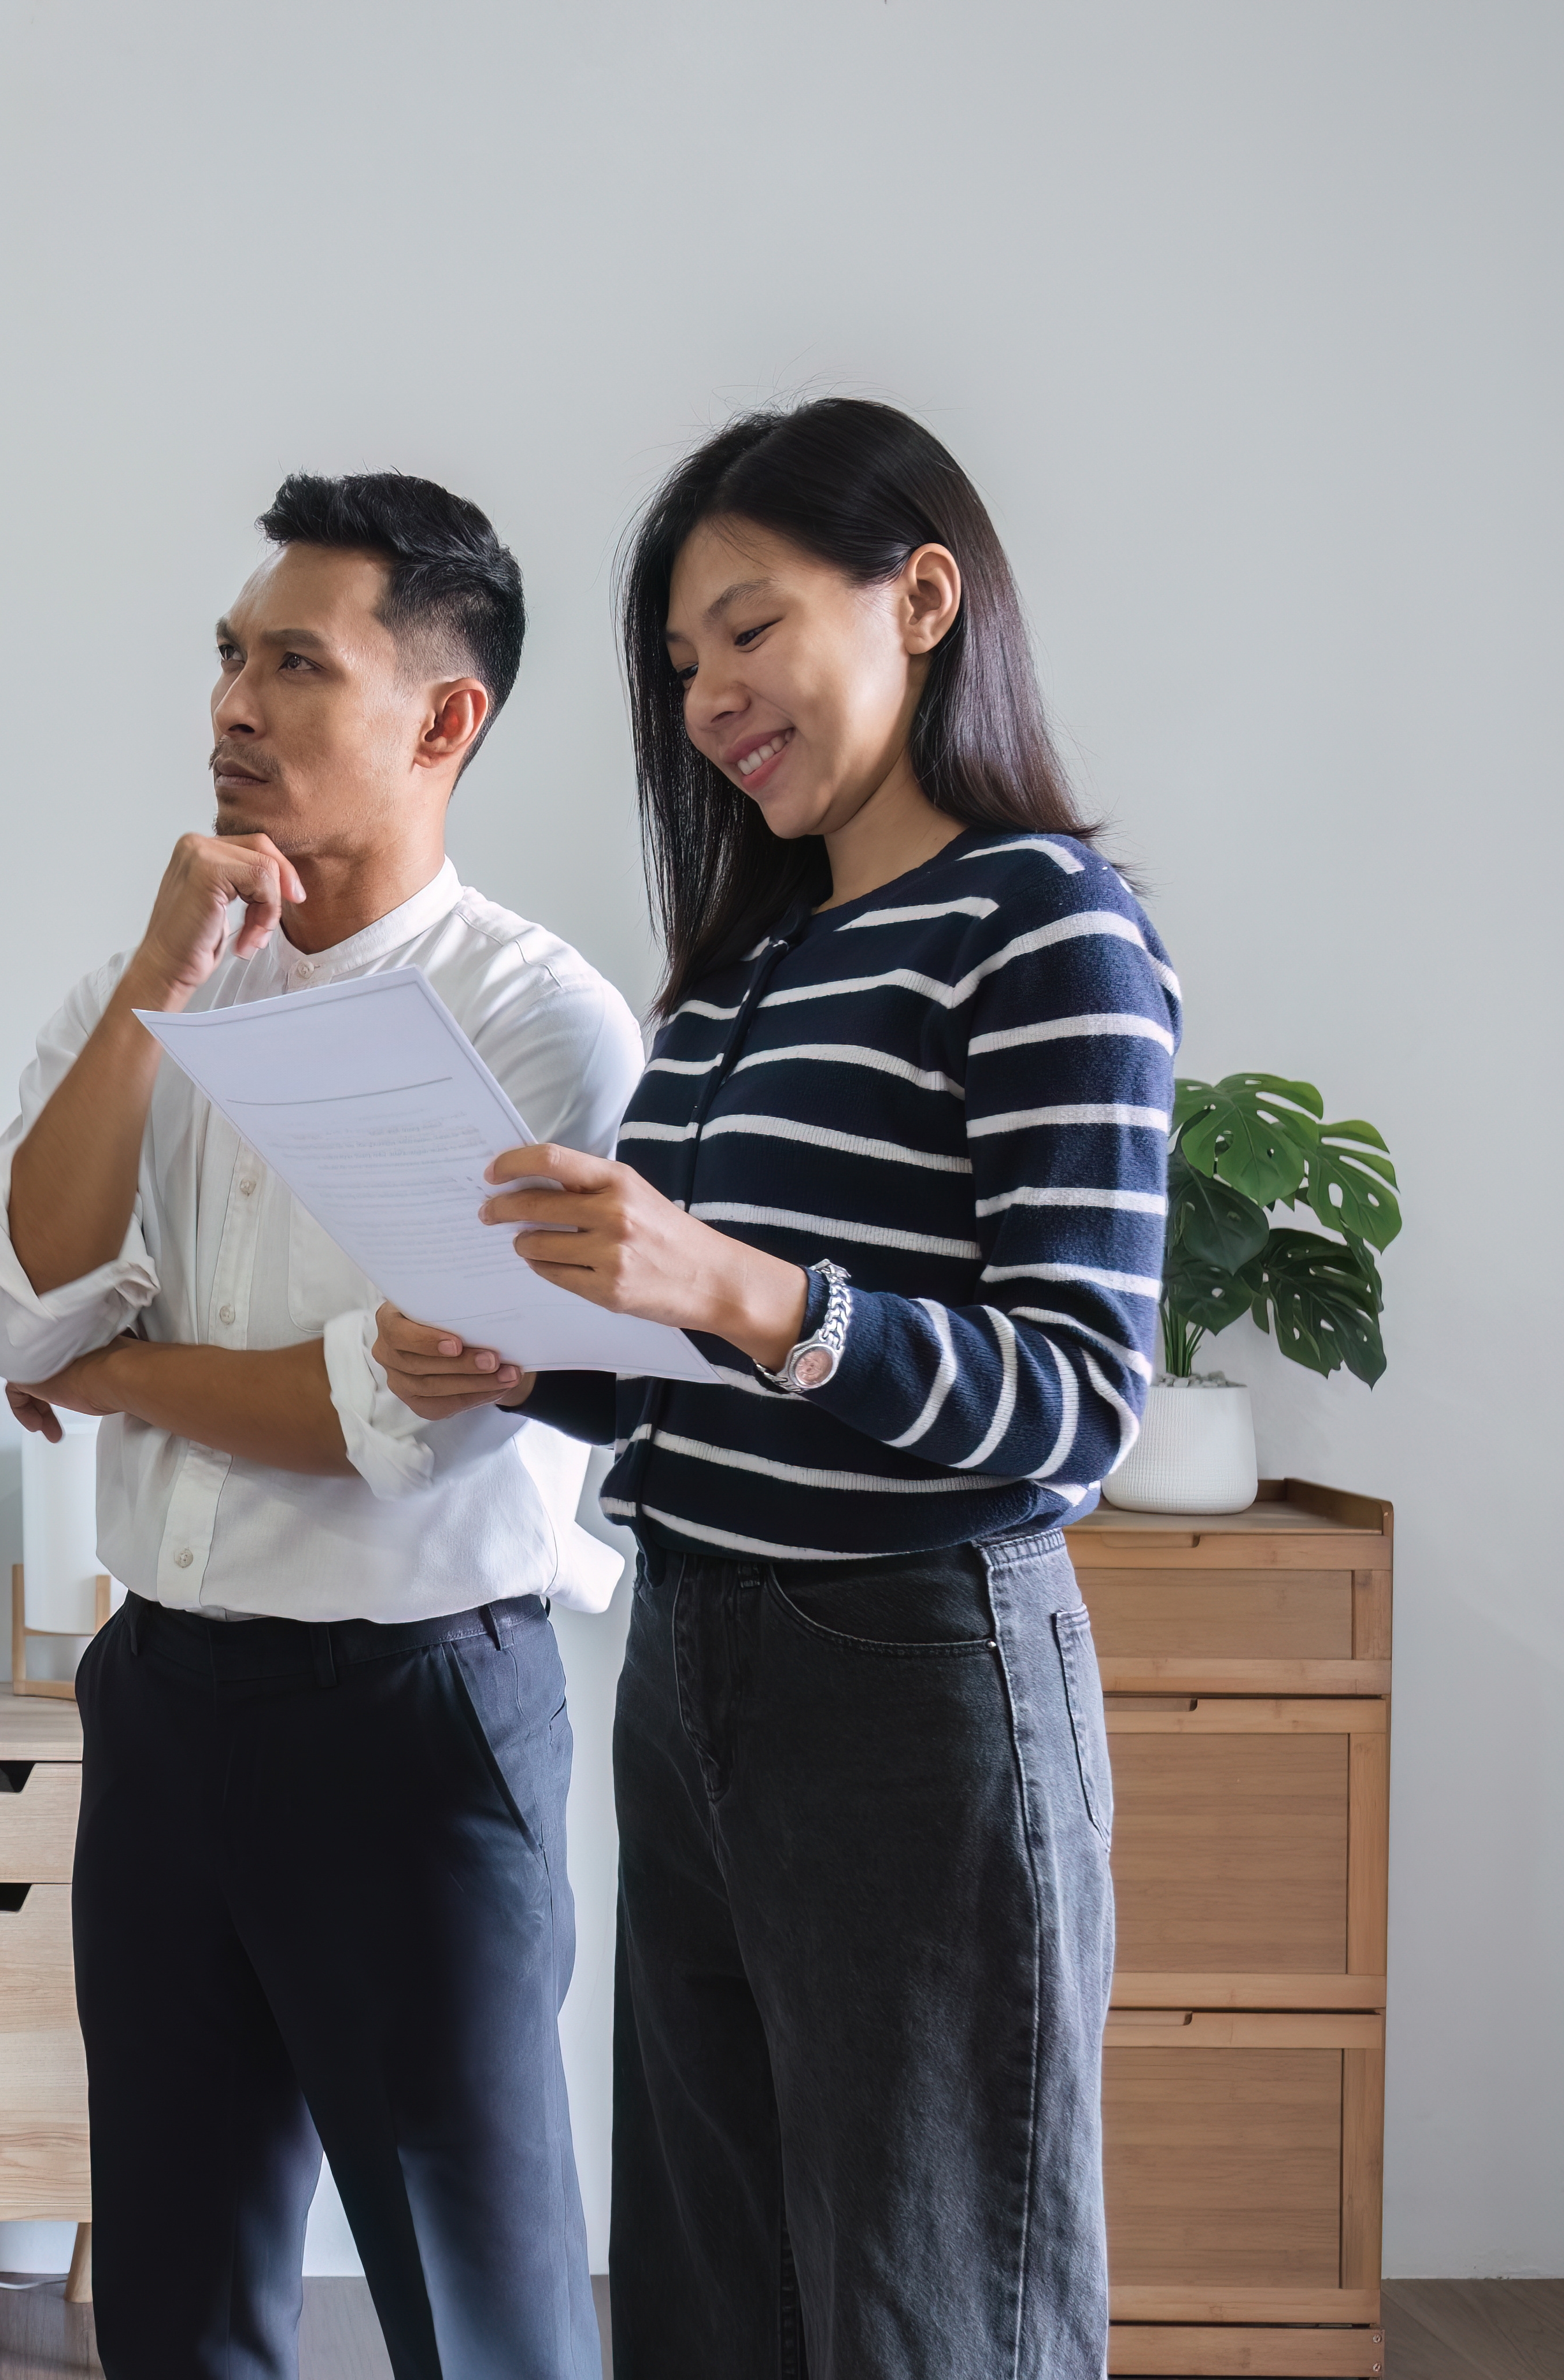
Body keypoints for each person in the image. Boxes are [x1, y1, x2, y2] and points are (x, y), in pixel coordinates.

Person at [375, 398, 1166, 2377]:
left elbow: (1077, 1402)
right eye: (683, 665)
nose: (715, 695)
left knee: (929, 2312)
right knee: (714, 2303)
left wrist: (740, 1284)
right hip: (695, 1663)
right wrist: (529, 1358)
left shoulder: (1043, 920)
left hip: (916, 1684)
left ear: (921, 597)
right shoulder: (735, 983)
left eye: (749, 629)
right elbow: (693, 1385)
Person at [0, 474, 631, 2378]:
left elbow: (397, 1414)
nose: (232, 705)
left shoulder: (540, 1027)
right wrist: (162, 984)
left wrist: (109, 1365)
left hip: (417, 1720)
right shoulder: (135, 988)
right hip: (159, 1700)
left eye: (294, 664)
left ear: (444, 717)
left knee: (474, 2311)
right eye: (228, 658)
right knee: (174, 2295)